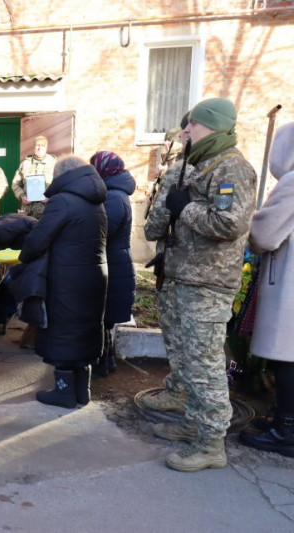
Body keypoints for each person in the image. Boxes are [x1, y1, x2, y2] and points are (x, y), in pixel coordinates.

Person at [146, 97, 257, 472]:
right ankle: (193, 423)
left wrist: (185, 208)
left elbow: (230, 225)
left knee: (205, 363)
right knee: (189, 360)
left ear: (213, 127)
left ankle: (211, 444)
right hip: (184, 276)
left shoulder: (233, 168)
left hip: (208, 284)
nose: (186, 130)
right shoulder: (200, 165)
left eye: (192, 124)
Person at [18, 155, 107, 409]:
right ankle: (82, 390)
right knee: (84, 328)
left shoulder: (62, 202)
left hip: (66, 279)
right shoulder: (96, 201)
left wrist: (24, 257)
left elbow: (37, 241)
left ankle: (64, 393)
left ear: (61, 176)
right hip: (93, 277)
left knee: (64, 330)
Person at [238, 121, 294, 457]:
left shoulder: (292, 183)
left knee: (287, 354)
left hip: (289, 282)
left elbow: (264, 236)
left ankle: (286, 428)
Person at [141, 113, 195, 413]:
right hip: (196, 268)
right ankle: (183, 393)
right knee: (192, 341)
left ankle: (181, 394)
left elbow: (154, 226)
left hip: (177, 263)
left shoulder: (180, 171)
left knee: (178, 334)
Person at [90, 151, 136, 377]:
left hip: (114, 264)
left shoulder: (114, 197)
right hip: (114, 261)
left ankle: (102, 364)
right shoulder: (114, 193)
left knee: (104, 317)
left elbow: (102, 231)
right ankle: (105, 362)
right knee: (104, 317)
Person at [11, 135, 57, 219]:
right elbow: (15, 183)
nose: (39, 148)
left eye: (42, 146)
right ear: (34, 147)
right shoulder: (25, 164)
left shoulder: (54, 164)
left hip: (48, 210)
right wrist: (22, 195)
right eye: (37, 145)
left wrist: (51, 197)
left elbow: (61, 184)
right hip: (28, 212)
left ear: (46, 148)